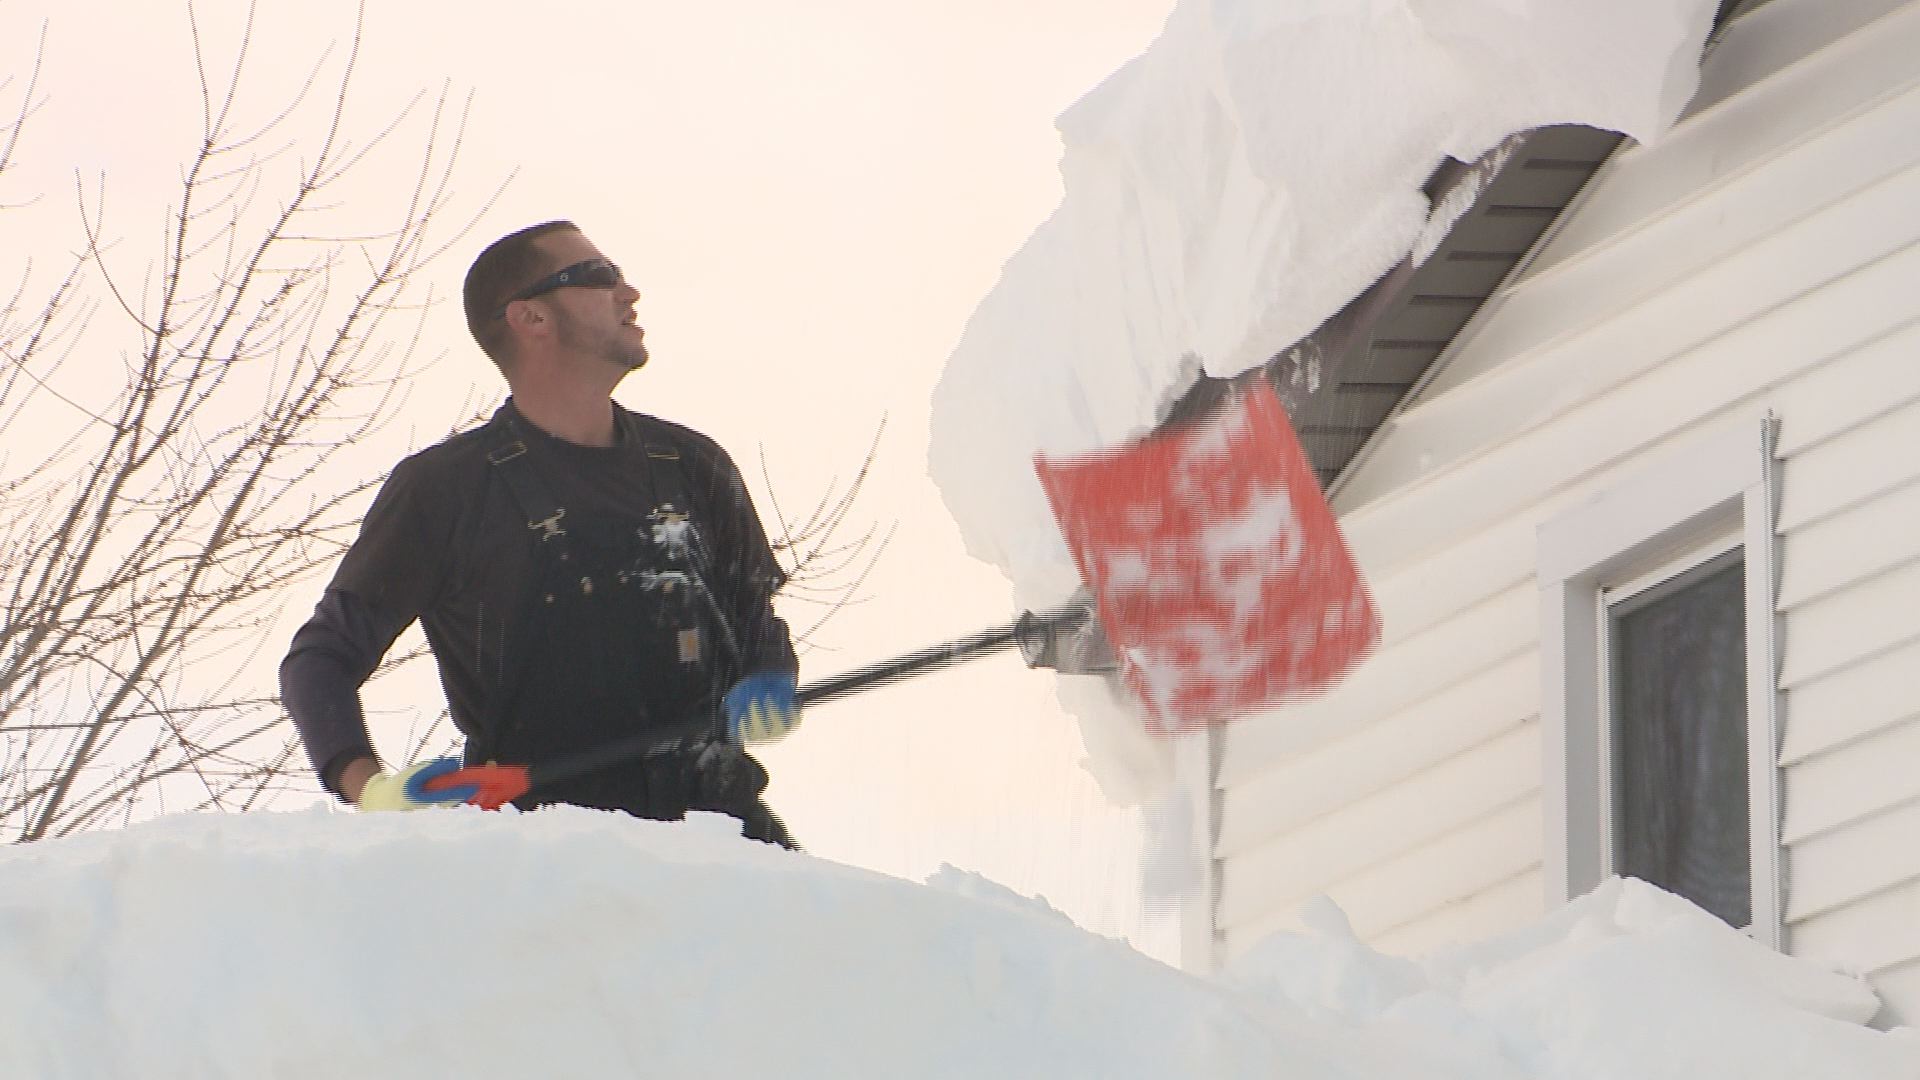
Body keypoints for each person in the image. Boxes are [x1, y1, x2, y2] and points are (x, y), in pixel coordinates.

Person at [280, 220, 801, 847]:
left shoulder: (693, 464)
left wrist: (769, 672)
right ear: (530, 318)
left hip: (720, 837)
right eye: (600, 278)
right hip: (547, 860)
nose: (628, 292)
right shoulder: (445, 489)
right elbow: (319, 661)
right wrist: (369, 785)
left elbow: (752, 612)